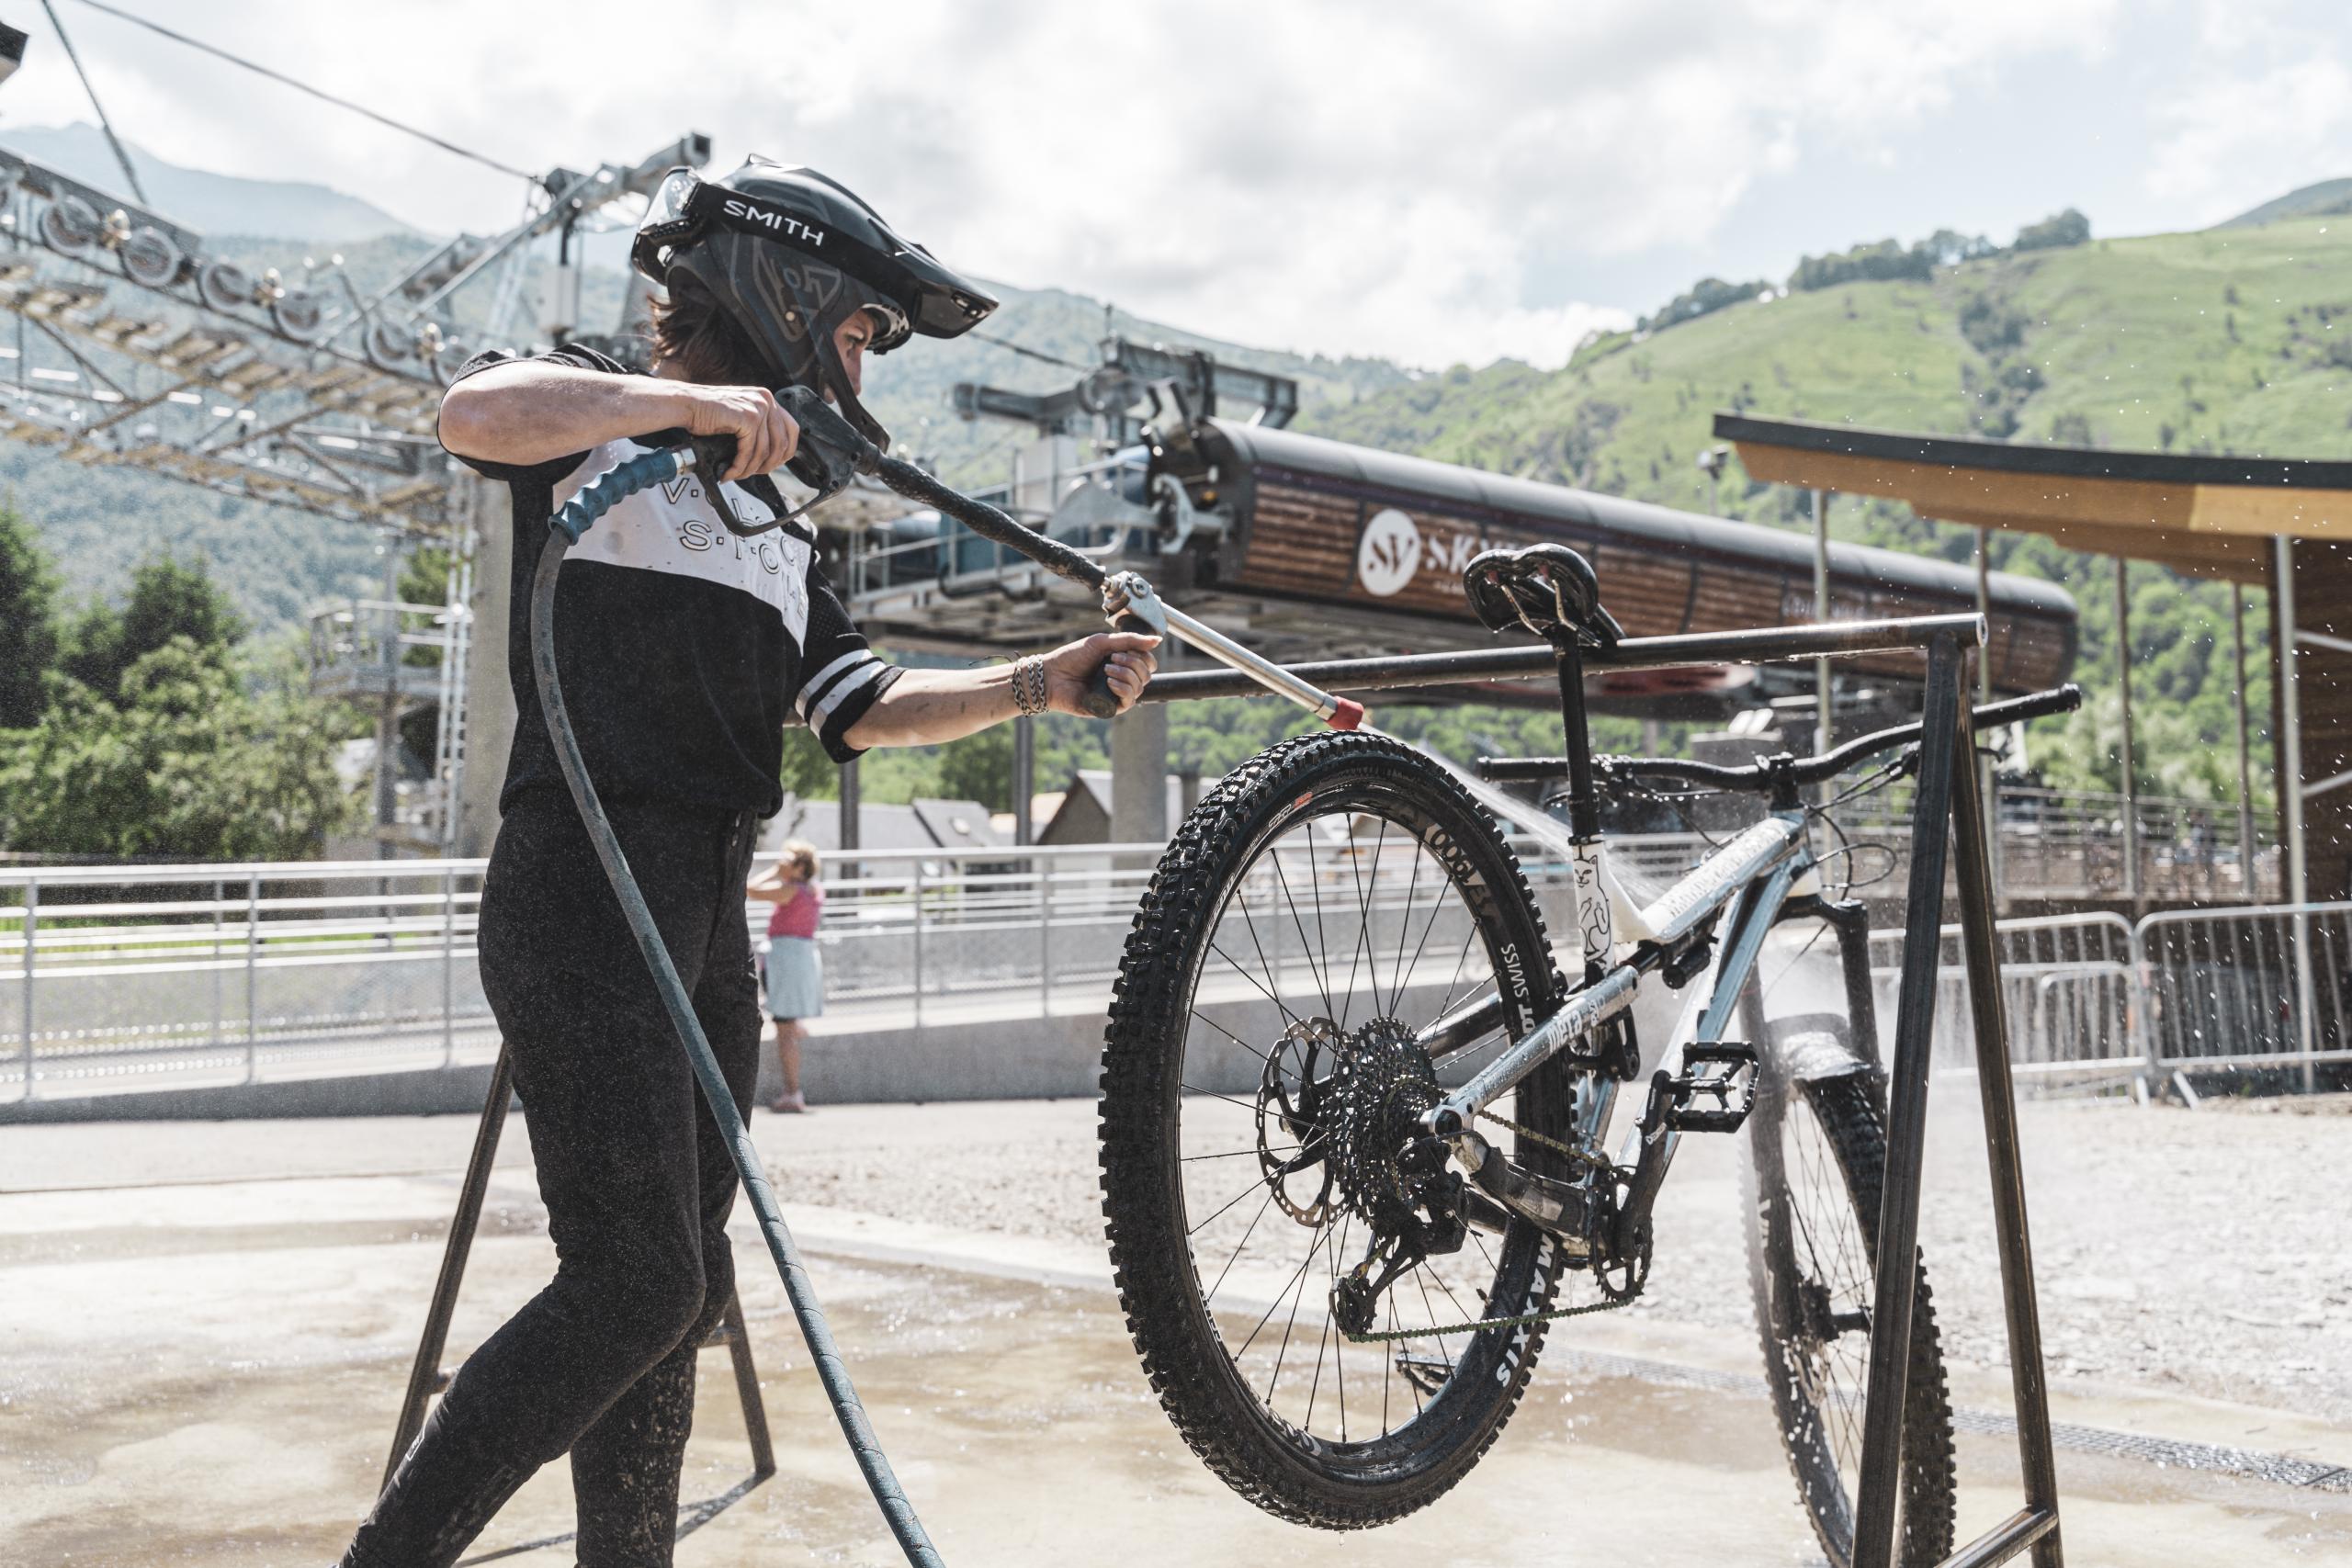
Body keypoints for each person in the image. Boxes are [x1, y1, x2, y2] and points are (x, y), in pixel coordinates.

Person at [341, 157, 1157, 1568]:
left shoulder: (782, 528)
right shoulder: (606, 421)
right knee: (639, 1273)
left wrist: (1042, 682)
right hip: (583, 891)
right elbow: (470, 413)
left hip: (709, 909)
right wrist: (688, 404)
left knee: (678, 1280)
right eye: (857, 333)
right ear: (790, 295)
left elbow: (860, 706)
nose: (865, 369)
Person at [748, 838, 824, 1112]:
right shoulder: (812, 890)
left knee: (784, 1032)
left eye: (788, 860)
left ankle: (793, 1093)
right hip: (799, 958)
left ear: (799, 867)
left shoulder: (790, 891)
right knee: (787, 1024)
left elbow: (749, 890)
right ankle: (796, 1023)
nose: (782, 863)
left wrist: (773, 872)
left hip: (786, 959)